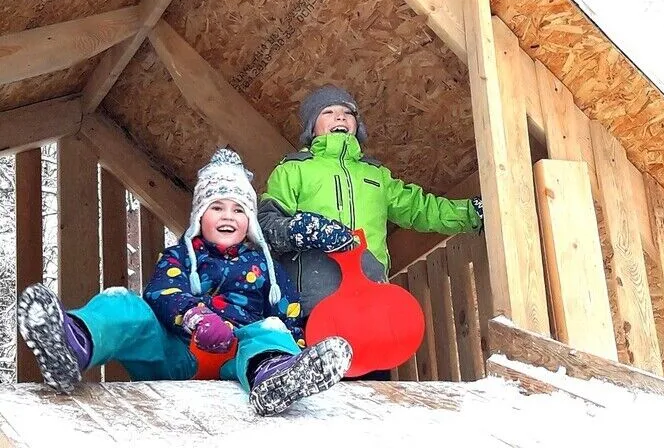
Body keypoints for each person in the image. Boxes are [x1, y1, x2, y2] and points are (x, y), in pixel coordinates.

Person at [17, 148, 352, 416]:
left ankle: (275, 378)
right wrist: (194, 316)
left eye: (238, 210)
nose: (228, 215)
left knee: (270, 331)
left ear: (249, 221)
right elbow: (161, 293)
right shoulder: (180, 256)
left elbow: (288, 314)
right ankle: (72, 344)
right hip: (177, 352)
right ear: (199, 216)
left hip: (236, 357)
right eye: (217, 207)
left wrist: (296, 348)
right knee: (124, 304)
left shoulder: (266, 267)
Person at [257, 85, 483, 379]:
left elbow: (420, 208)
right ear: (312, 127)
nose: (340, 117)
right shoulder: (293, 170)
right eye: (328, 112)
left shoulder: (376, 175)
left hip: (372, 300)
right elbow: (267, 224)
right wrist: (305, 229)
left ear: (357, 124)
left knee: (373, 385)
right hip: (316, 303)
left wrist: (470, 213)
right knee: (325, 388)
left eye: (347, 112)